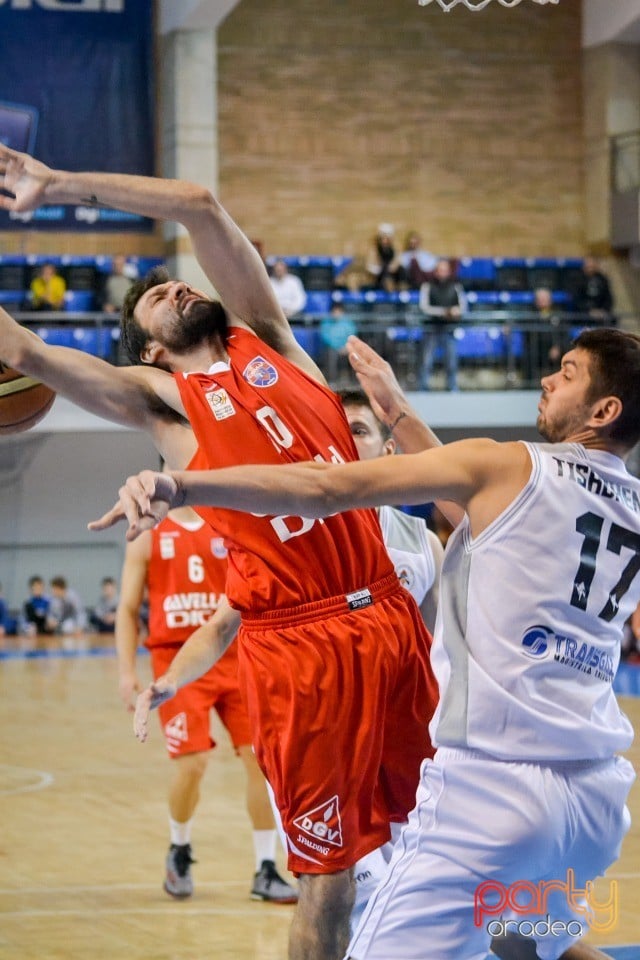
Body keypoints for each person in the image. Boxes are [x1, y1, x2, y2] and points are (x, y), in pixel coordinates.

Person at [0, 143, 437, 960]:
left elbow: (199, 203)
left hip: (386, 613)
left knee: (443, 830)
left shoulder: (271, 341)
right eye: (151, 304)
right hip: (299, 644)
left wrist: (59, 185)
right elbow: (24, 353)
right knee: (327, 874)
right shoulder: (164, 412)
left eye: (172, 283)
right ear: (149, 350)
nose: (170, 287)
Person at [98, 327, 640, 960]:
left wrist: (183, 487)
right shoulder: (624, 505)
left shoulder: (508, 468)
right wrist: (398, 409)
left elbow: (328, 490)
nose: (548, 378)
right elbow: (482, 511)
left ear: (604, 412)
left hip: (493, 794)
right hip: (596, 797)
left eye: (568, 373)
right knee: (528, 941)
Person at [116, 500, 297, 903]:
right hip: (176, 659)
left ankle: (265, 867)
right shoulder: (149, 532)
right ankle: (179, 846)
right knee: (193, 764)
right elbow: (128, 609)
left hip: (234, 653)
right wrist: (127, 671)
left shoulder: (229, 521)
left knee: (262, 762)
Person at [339, 388, 443, 634]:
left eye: (358, 431)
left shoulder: (424, 545)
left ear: (387, 450)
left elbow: (439, 650)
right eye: (336, 430)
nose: (344, 439)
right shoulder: (297, 534)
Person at [418, 257, 467, 390]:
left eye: (445, 270)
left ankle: (452, 387)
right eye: (440, 270)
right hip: (431, 329)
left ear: (449, 271)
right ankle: (423, 388)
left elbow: (463, 307)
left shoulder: (456, 286)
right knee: (426, 361)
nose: (442, 272)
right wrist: (444, 312)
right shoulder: (427, 286)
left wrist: (456, 311)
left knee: (451, 361)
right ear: (435, 271)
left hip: (449, 329)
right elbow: (424, 307)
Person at [318, 304, 357, 387]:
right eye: (334, 312)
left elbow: (352, 335)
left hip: (346, 347)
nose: (336, 314)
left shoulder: (348, 323)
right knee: (331, 353)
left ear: (342, 312)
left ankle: (354, 382)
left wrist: (346, 346)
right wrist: (337, 347)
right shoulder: (326, 323)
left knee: (355, 354)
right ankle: (332, 381)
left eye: (338, 312)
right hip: (332, 348)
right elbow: (326, 337)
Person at [575, 256, 614, 321]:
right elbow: (576, 298)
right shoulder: (577, 279)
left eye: (592, 266)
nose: (590, 269)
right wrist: (589, 310)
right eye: (588, 266)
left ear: (596, 266)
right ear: (584, 266)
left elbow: (608, 297)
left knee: (613, 320)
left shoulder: (603, 279)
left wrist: (603, 310)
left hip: (601, 313)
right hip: (581, 313)